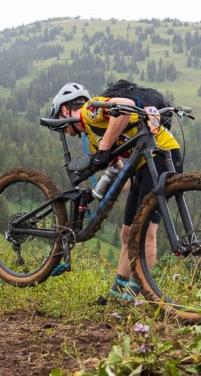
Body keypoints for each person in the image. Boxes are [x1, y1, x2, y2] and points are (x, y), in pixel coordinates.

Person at [50, 82, 183, 303]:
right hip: (141, 167)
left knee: (146, 233)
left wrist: (104, 151)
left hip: (162, 156)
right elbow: (119, 174)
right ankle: (116, 295)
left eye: (63, 123)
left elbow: (125, 105)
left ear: (65, 110)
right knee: (127, 234)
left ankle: (133, 296)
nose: (65, 129)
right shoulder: (94, 138)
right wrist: (97, 194)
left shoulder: (90, 110)